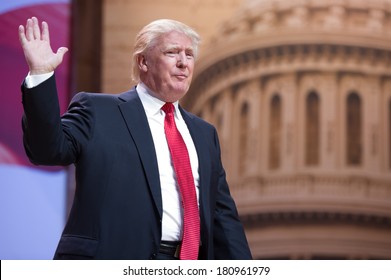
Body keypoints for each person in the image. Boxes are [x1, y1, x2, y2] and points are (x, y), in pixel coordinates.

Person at [18, 16, 252, 260]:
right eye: (172, 52)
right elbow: (46, 150)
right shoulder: (99, 111)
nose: (183, 63)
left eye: (189, 54)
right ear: (143, 62)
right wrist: (41, 74)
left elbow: (222, 216)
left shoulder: (205, 134)